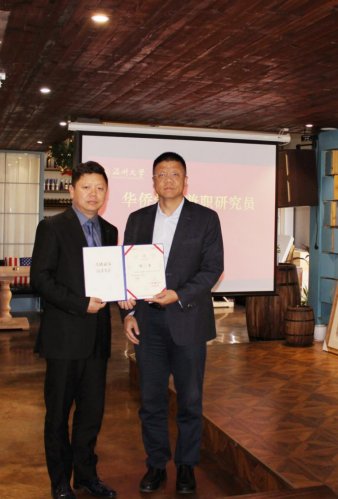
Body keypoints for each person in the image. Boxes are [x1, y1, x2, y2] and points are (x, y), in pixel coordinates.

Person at [119, 152, 224, 495]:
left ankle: (186, 465)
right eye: (161, 174)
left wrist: (179, 294)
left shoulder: (206, 218)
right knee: (151, 400)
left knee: (190, 400)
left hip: (188, 320)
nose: (168, 179)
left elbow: (213, 268)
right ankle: (155, 464)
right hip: (147, 323)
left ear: (185, 180)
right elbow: (126, 271)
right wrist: (127, 314)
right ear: (153, 181)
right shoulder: (137, 219)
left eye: (174, 174)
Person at [31, 161, 119, 499]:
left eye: (100, 188)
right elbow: (41, 278)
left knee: (91, 414)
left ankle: (86, 475)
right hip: (64, 337)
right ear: (72, 191)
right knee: (57, 414)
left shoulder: (109, 230)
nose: (93, 194)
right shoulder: (52, 227)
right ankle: (59, 482)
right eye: (86, 187)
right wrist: (80, 304)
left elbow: (111, 278)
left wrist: (124, 293)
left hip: (97, 338)